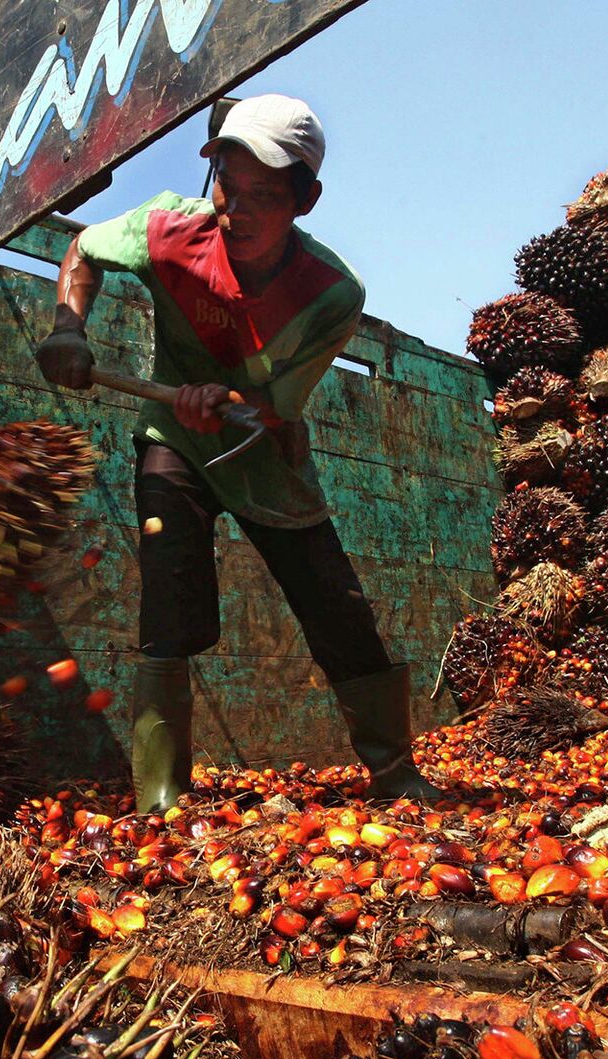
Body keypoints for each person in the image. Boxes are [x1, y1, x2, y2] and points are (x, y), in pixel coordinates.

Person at [34, 93, 446, 812]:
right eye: (227, 182)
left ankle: (395, 773)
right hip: (175, 445)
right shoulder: (167, 231)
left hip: (268, 460)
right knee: (169, 604)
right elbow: (82, 250)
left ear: (305, 201)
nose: (238, 208)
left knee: (336, 610)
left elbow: (274, 410)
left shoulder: (330, 294)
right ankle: (160, 796)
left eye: (267, 194)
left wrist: (225, 404)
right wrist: (69, 328)